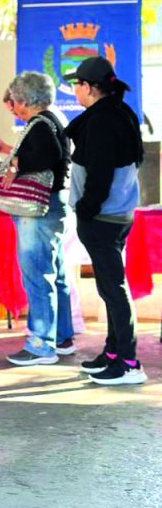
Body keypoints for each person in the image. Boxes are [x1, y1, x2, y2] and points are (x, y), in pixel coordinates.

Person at [63, 56, 146, 385]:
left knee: (113, 289)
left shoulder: (101, 121)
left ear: (89, 88)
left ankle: (128, 362)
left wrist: (85, 208)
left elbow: (99, 172)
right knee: (112, 287)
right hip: (118, 213)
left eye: (77, 85)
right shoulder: (120, 112)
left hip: (103, 215)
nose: (74, 90)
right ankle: (113, 352)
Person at [0, 71, 74, 366]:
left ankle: (41, 343)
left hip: (36, 210)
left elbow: (46, 156)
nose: (13, 107)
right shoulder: (54, 121)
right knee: (56, 273)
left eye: (14, 101)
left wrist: (13, 163)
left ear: (25, 100)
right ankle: (62, 335)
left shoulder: (39, 125)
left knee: (37, 275)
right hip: (54, 205)